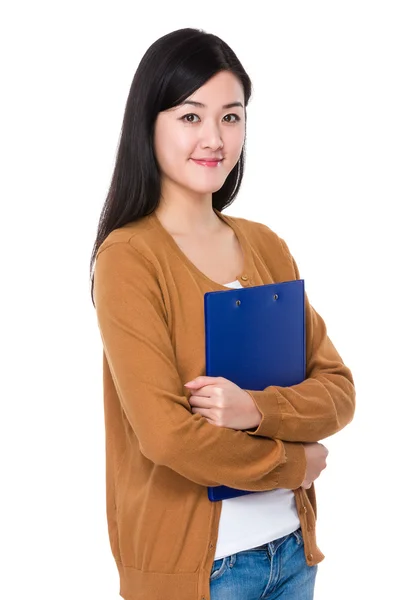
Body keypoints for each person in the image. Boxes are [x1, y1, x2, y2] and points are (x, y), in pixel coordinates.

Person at [90, 27, 356, 600]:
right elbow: (167, 438)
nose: (214, 137)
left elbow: (337, 390)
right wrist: (294, 464)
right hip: (204, 574)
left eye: (231, 117)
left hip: (292, 553)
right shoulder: (128, 259)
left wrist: (253, 409)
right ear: (149, 123)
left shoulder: (266, 246)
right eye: (191, 116)